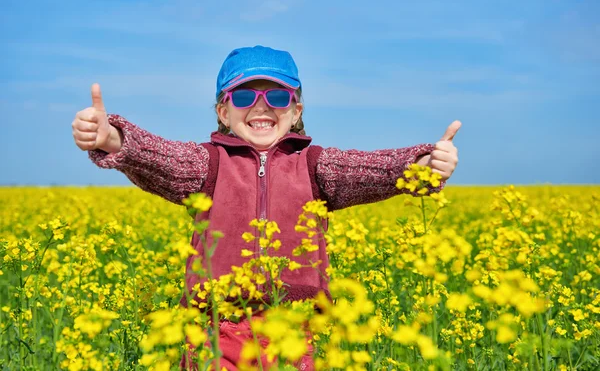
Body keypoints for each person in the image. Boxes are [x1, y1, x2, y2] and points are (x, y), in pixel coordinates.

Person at [72, 45, 460, 370]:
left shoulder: (315, 166)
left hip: (292, 328)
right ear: (223, 112)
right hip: (215, 328)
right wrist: (112, 138)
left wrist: (421, 165)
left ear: (296, 110)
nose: (262, 107)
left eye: (277, 97)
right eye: (244, 97)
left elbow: (372, 169)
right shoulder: (206, 165)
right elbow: (159, 157)